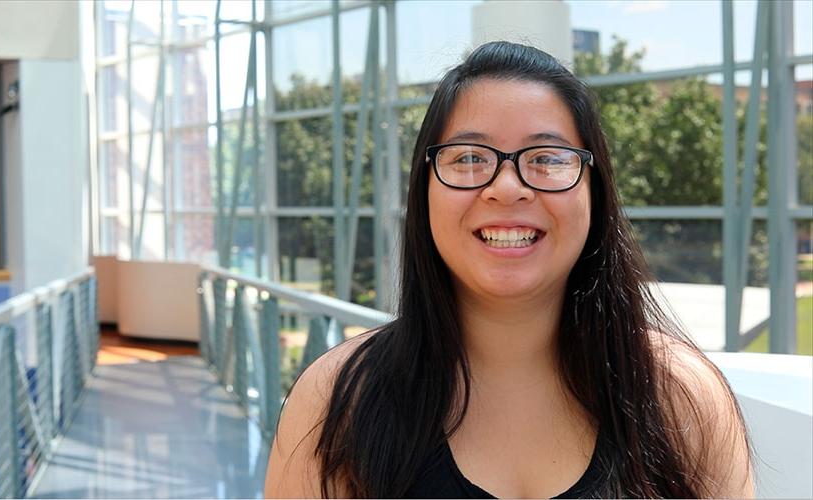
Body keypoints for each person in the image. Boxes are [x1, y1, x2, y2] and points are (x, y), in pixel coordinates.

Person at [264, 41, 753, 498]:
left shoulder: (680, 397)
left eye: (546, 158)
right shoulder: (337, 403)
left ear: (594, 191)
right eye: (470, 158)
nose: (507, 187)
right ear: (424, 190)